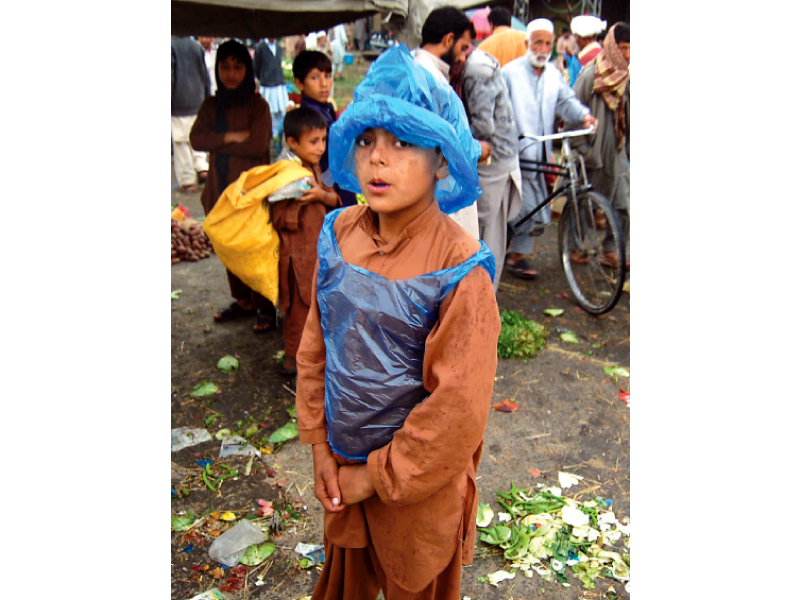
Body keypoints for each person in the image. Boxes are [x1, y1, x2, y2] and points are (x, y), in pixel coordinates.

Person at [295, 43, 501, 600]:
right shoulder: (340, 235)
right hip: (341, 468)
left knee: (416, 581)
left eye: (403, 141)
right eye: (366, 140)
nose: (378, 158)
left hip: (417, 491)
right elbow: (317, 347)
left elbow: (456, 411)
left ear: (443, 158)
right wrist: (320, 448)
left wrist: (375, 477)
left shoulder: (459, 270)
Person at [189, 39, 278, 333]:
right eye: (224, 66)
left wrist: (222, 139)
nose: (230, 73)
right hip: (218, 187)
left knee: (253, 247)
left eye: (237, 67)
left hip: (248, 192)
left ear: (247, 69)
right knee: (228, 246)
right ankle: (244, 301)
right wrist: (232, 137)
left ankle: (265, 305)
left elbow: (256, 144)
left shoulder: (258, 105)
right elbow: (197, 140)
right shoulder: (211, 105)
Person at [502, 18, 597, 279]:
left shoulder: (554, 75)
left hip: (540, 153)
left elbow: (567, 102)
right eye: (538, 43)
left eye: (547, 43)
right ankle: (510, 253)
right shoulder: (509, 73)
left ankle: (515, 254)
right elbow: (499, 111)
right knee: (525, 208)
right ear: (527, 44)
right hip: (515, 153)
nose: (543, 49)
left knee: (537, 212)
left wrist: (585, 116)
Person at [272, 107, 341, 376]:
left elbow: (333, 198)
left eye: (323, 140)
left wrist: (317, 197)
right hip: (295, 257)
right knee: (298, 311)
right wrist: (298, 205)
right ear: (292, 142)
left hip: (317, 253)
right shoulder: (285, 175)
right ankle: (293, 362)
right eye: (314, 142)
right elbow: (278, 218)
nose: (321, 147)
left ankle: (313, 359)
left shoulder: (313, 167)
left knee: (316, 307)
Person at [459, 43, 523, 291]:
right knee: (489, 234)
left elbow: (484, 127)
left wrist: (468, 146)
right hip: (501, 159)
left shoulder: (475, 69)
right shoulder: (480, 62)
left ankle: (481, 299)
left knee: (486, 233)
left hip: (493, 163)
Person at [413, 5, 480, 239]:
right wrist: (477, 148)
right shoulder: (429, 79)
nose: (462, 57)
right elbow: (440, 142)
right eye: (462, 48)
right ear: (448, 39)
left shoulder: (422, 70)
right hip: (437, 190)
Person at [571, 22, 630, 269]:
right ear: (612, 48)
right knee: (584, 203)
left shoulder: (628, 77)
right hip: (591, 152)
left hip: (616, 152)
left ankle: (610, 249)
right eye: (623, 48)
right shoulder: (590, 75)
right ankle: (575, 246)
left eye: (631, 49)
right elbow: (572, 112)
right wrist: (582, 148)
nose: (628, 54)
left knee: (622, 205)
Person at [293, 50, 358, 207]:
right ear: (299, 83)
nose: (324, 84)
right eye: (315, 77)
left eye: (328, 76)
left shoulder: (325, 108)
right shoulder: (309, 117)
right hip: (325, 183)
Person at [171, 36, 210, 192]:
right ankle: (202, 168)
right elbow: (205, 75)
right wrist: (206, 97)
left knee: (181, 142)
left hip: (178, 101)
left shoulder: (170, 46)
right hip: (198, 98)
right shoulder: (196, 46)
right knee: (196, 137)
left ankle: (187, 180)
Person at [254, 37, 289, 139]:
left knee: (281, 110)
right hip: (267, 85)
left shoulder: (277, 46)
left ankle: (279, 134)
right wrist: (263, 77)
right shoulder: (260, 47)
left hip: (279, 83)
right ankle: (271, 135)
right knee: (270, 111)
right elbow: (256, 66)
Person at [569, 14, 607, 85]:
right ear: (595, 36)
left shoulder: (580, 60)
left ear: (581, 38)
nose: (576, 40)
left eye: (577, 36)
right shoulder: (604, 54)